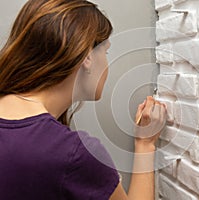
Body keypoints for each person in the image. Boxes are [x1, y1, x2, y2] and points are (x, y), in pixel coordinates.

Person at [0, 0, 166, 199]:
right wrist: (145, 143)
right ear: (87, 56)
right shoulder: (71, 153)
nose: (106, 64)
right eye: (106, 52)